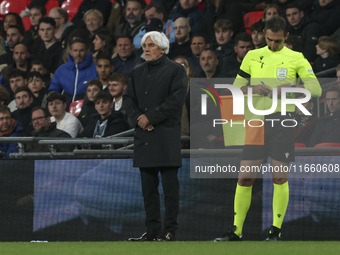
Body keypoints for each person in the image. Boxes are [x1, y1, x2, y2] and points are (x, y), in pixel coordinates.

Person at [215, 17, 322, 241]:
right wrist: (252, 89)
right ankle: (236, 231)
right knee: (244, 178)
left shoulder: (296, 58)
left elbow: (316, 89)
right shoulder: (252, 56)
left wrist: (292, 87)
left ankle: (275, 231)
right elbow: (236, 88)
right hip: (256, 122)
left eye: (278, 41)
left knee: (279, 177)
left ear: (286, 37)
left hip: (282, 121)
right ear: (264, 34)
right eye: (270, 40)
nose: (273, 44)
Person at [127, 31, 187, 241]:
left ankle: (169, 230)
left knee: (170, 190)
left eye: (151, 45)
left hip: (166, 136)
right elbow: (129, 101)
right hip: (144, 137)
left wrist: (150, 118)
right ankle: (152, 231)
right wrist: (139, 119)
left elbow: (175, 101)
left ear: (163, 48)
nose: (147, 49)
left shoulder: (175, 70)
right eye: (145, 45)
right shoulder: (137, 72)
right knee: (148, 190)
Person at [49, 38, 98, 107]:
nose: (78, 54)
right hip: (64, 112)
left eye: (81, 50)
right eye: (75, 51)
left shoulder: (95, 68)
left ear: (87, 51)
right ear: (71, 52)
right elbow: (53, 91)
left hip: (88, 110)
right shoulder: (62, 69)